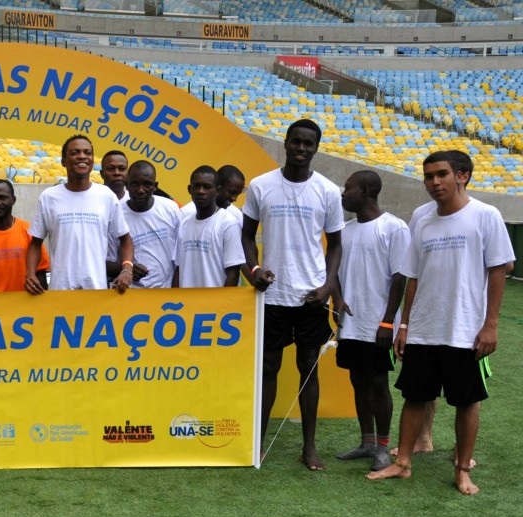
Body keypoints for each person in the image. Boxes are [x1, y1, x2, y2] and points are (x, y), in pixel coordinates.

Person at [368, 151, 514, 495]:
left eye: (442, 174)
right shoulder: (420, 216)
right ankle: (402, 463)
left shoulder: (486, 216)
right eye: (428, 176)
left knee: (466, 401)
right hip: (423, 328)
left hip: (465, 330)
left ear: (462, 176)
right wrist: (404, 325)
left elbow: (498, 271)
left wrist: (490, 324)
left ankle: (462, 470)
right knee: (414, 396)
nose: (434, 182)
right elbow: (413, 275)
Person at [242, 118, 343, 471]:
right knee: (268, 369)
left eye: (308, 144)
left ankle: (309, 447)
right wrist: (254, 271)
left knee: (308, 370)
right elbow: (246, 237)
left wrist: (329, 285)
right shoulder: (260, 186)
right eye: (296, 142)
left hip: (311, 296)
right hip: (272, 296)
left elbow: (336, 246)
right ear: (285, 143)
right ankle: (257, 443)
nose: (301, 148)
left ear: (316, 148)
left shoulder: (328, 191)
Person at [332, 170, 409, 472]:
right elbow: (333, 272)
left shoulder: (393, 228)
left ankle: (382, 446)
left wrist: (388, 321)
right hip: (351, 323)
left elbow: (401, 276)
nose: (343, 193)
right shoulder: (345, 230)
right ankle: (366, 442)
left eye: (348, 188)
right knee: (357, 381)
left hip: (378, 325)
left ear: (365, 190)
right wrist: (337, 300)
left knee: (378, 382)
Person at [26, 135, 133, 294]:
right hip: (60, 290)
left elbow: (125, 239)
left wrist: (127, 269)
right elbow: (35, 243)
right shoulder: (49, 197)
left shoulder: (106, 196)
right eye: (75, 152)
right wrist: (30, 273)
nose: (82, 156)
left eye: (87, 153)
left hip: (96, 290)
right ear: (63, 161)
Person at [107, 160, 178, 289]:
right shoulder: (116, 214)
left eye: (147, 185)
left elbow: (181, 255)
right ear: (126, 185)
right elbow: (106, 263)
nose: (141, 190)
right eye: (135, 184)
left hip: (167, 293)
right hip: (131, 295)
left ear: (155, 186)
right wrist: (127, 269)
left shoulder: (170, 208)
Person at [174, 165, 244, 288]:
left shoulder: (229, 223)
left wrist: (222, 305)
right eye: (197, 186)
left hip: (214, 305)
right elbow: (179, 268)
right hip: (185, 304)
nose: (201, 191)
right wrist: (173, 298)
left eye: (207, 187)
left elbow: (233, 274)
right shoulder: (184, 224)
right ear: (190, 189)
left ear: (217, 191)